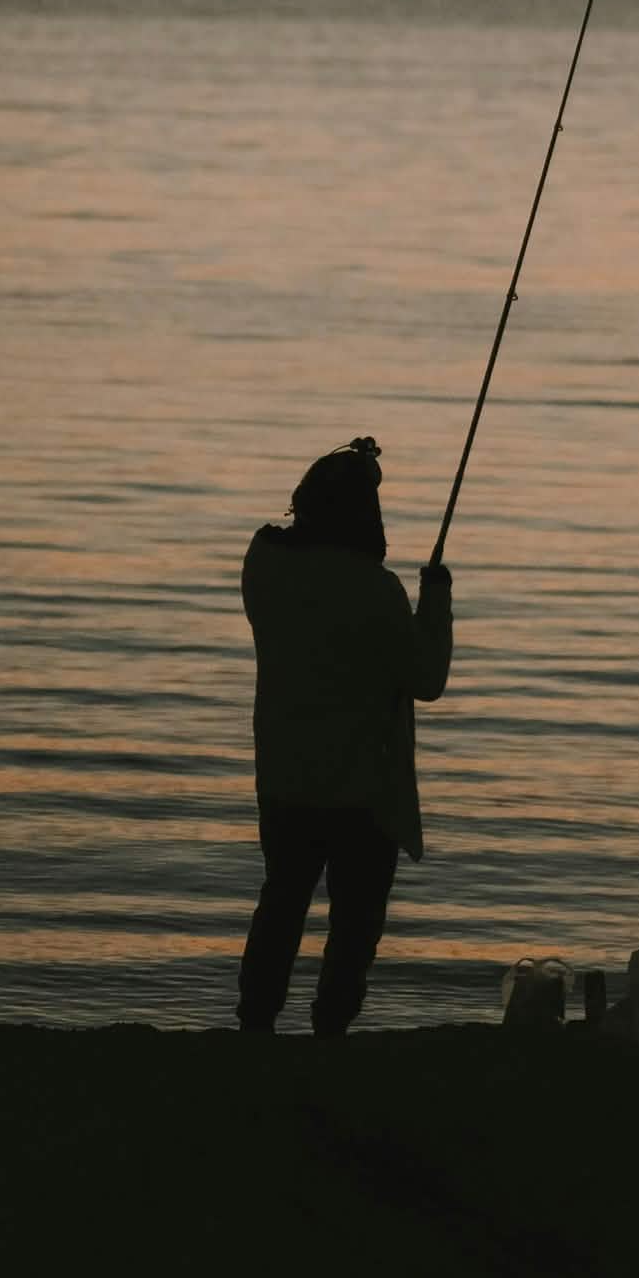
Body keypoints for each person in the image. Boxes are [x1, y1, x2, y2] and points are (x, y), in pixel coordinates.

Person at [234, 437, 454, 1034]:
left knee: (281, 904)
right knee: (355, 925)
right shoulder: (374, 591)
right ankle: (330, 1030)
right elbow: (426, 678)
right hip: (362, 790)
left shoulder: (264, 566)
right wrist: (435, 596)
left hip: (284, 778)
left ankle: (255, 1025)